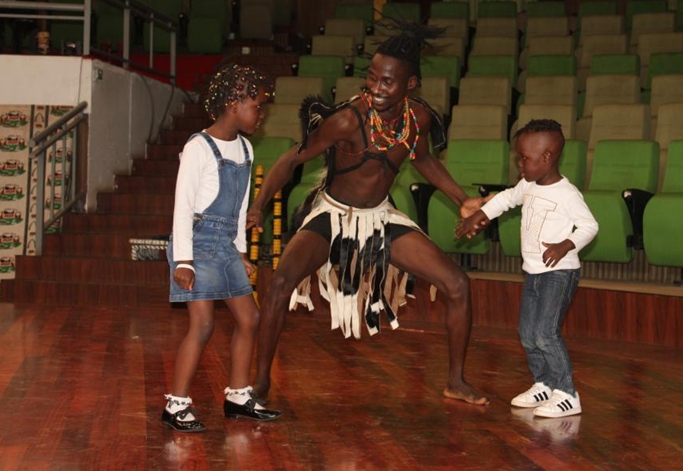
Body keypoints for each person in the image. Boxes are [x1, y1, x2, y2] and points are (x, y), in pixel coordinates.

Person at [247, 22, 489, 406]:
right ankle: (259, 381)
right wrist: (258, 205)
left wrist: (461, 199)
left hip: (379, 218)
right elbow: (290, 159)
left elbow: (423, 159)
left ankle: (456, 381)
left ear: (410, 85)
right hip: (332, 216)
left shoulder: (418, 119)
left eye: (388, 81)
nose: (376, 88)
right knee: (279, 284)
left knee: (458, 284)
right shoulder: (347, 119)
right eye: (372, 77)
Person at [163, 64, 281, 433]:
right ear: (233, 103)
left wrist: (242, 253)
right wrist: (183, 260)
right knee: (203, 323)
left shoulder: (245, 148)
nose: (261, 115)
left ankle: (238, 396)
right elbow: (182, 207)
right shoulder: (198, 147)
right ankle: (176, 404)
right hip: (196, 244)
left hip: (226, 243)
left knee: (250, 318)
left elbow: (240, 210)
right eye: (257, 106)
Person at [457, 119, 598, 418]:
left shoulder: (567, 194)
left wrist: (566, 245)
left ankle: (567, 393)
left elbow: (589, 225)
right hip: (533, 272)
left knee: (546, 333)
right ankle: (543, 384)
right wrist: (480, 215)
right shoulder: (528, 185)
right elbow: (506, 199)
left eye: (525, 158)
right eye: (519, 157)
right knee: (527, 332)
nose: (519, 163)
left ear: (547, 157)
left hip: (560, 273)